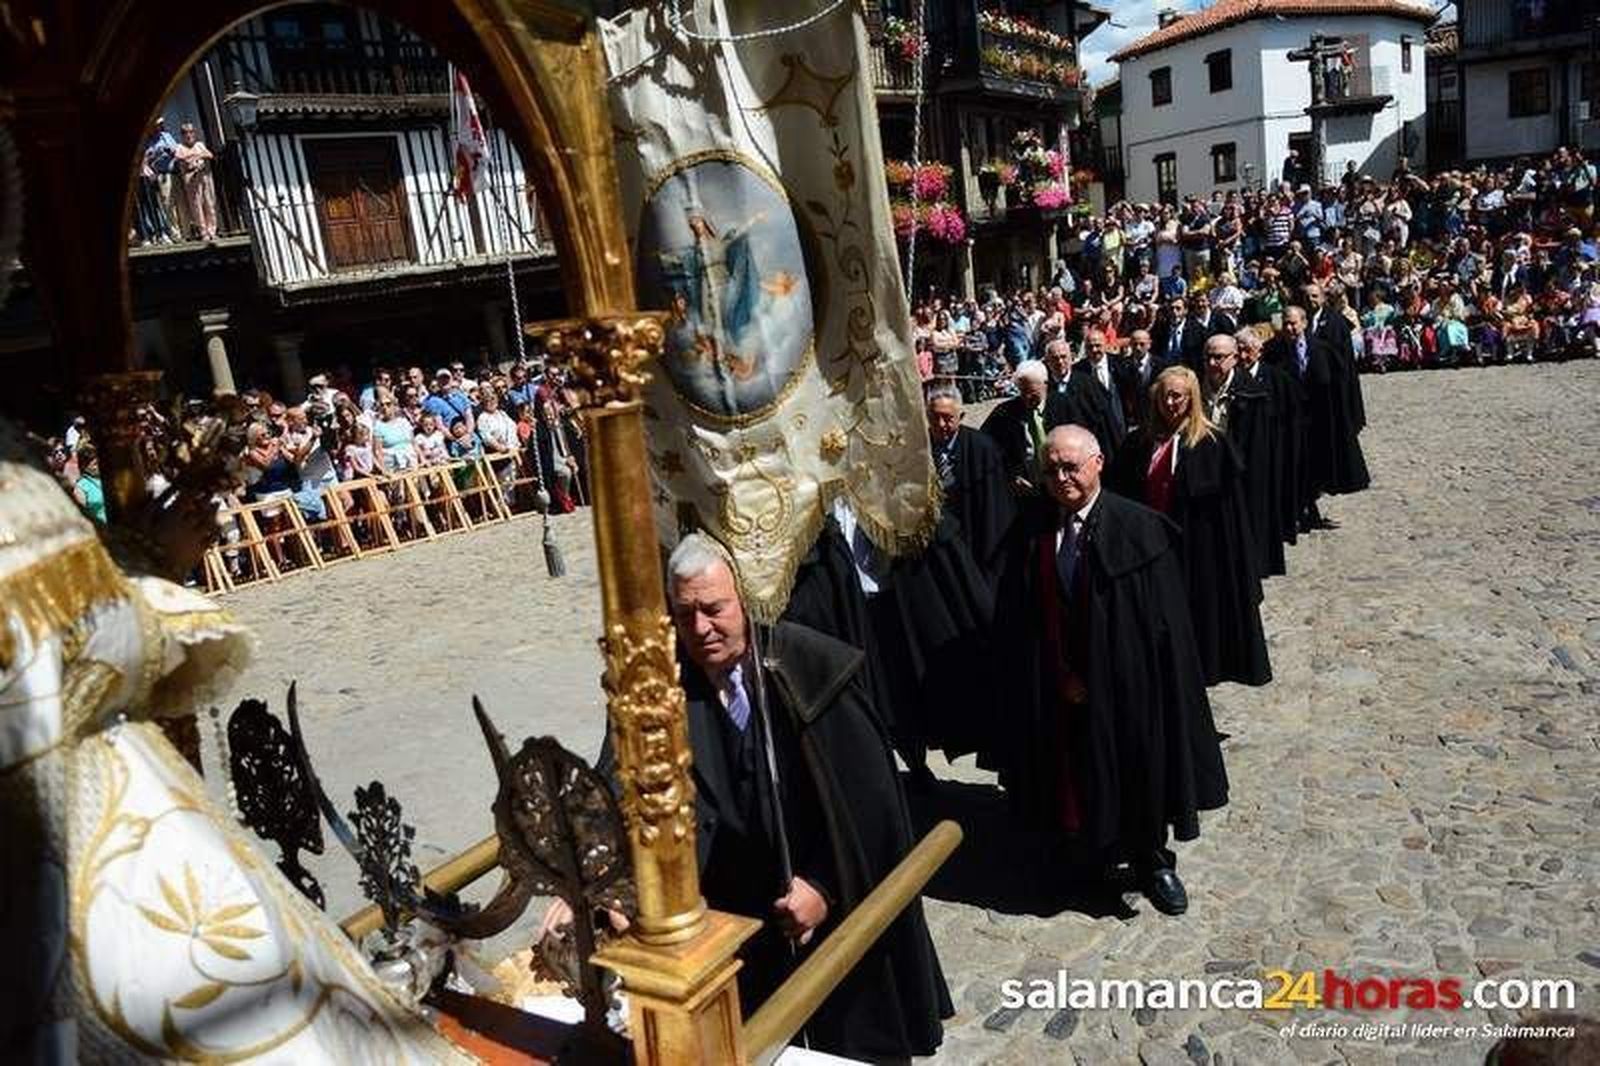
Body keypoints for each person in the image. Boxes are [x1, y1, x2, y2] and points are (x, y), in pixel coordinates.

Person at [554, 534, 952, 1060]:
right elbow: (613, 786)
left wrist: (825, 886)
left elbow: (870, 810)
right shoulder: (657, 685)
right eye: (686, 613)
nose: (700, 629)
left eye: (714, 609)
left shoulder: (810, 671)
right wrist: (589, 881)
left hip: (816, 918)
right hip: (722, 928)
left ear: (745, 599)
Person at [994, 425, 1228, 915]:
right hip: (1057, 687)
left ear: (1098, 462)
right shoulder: (1033, 526)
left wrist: (1106, 677)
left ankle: (1152, 861)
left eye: (1071, 467)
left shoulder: (1139, 528)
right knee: (1072, 774)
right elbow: (1020, 611)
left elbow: (1165, 630)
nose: (1061, 478)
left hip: (1129, 688)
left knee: (1139, 770)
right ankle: (1084, 857)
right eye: (1052, 468)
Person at [1107, 367, 1271, 688]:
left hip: (1198, 553)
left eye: (1177, 396)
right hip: (1149, 551)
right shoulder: (1138, 443)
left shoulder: (1211, 444)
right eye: (1164, 396)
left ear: (1191, 399)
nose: (1170, 403)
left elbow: (1230, 517)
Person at [1202, 333, 1284, 579]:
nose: (1213, 363)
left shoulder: (1251, 391)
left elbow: (1258, 443)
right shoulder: (1197, 386)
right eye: (1208, 357)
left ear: (1234, 358)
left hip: (1240, 468)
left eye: (1219, 357)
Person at [981, 360, 1067, 495]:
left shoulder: (1064, 406)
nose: (1027, 397)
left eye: (1032, 392)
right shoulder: (1004, 413)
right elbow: (985, 447)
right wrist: (1010, 476)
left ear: (1045, 385)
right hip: (1024, 490)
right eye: (1022, 391)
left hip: (1062, 485)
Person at [1060, 327, 1132, 465]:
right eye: (1089, 346)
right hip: (1094, 428)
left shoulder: (1121, 364)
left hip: (1120, 420)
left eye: (1098, 346)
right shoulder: (1077, 370)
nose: (1094, 350)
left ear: (1105, 344)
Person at [173, 122, 218, 240]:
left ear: (195, 133)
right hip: (191, 181)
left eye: (191, 132)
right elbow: (178, 158)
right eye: (185, 133)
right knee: (196, 206)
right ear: (182, 135)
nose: (188, 135)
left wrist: (197, 156)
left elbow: (209, 155)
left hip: (204, 178)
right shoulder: (180, 147)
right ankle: (203, 232)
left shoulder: (199, 144)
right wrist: (192, 157)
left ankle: (212, 230)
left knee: (209, 203)